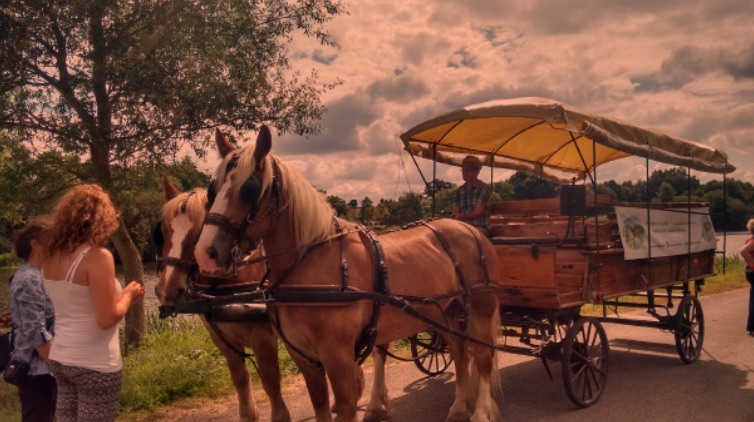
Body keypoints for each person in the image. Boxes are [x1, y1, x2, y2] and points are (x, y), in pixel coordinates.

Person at [42, 184, 145, 421]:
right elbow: (106, 319)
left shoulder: (51, 256)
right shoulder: (98, 257)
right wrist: (128, 295)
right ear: (103, 220)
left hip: (61, 358)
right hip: (94, 364)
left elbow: (77, 305)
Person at [9, 217, 57, 421]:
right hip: (37, 372)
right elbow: (35, 332)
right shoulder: (29, 279)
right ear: (35, 244)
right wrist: (58, 366)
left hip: (45, 370)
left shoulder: (40, 274)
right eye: (51, 240)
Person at [451, 155, 491, 236]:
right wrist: (456, 216)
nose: (464, 172)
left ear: (477, 172)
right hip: (463, 227)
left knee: (466, 236)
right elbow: (456, 212)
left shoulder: (483, 188)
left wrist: (462, 217)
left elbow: (478, 213)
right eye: (463, 169)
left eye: (468, 170)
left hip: (480, 227)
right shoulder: (459, 191)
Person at [740, 218, 754, 336]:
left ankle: (751, 326)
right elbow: (743, 251)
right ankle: (752, 327)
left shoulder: (749, 239)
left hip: (750, 272)